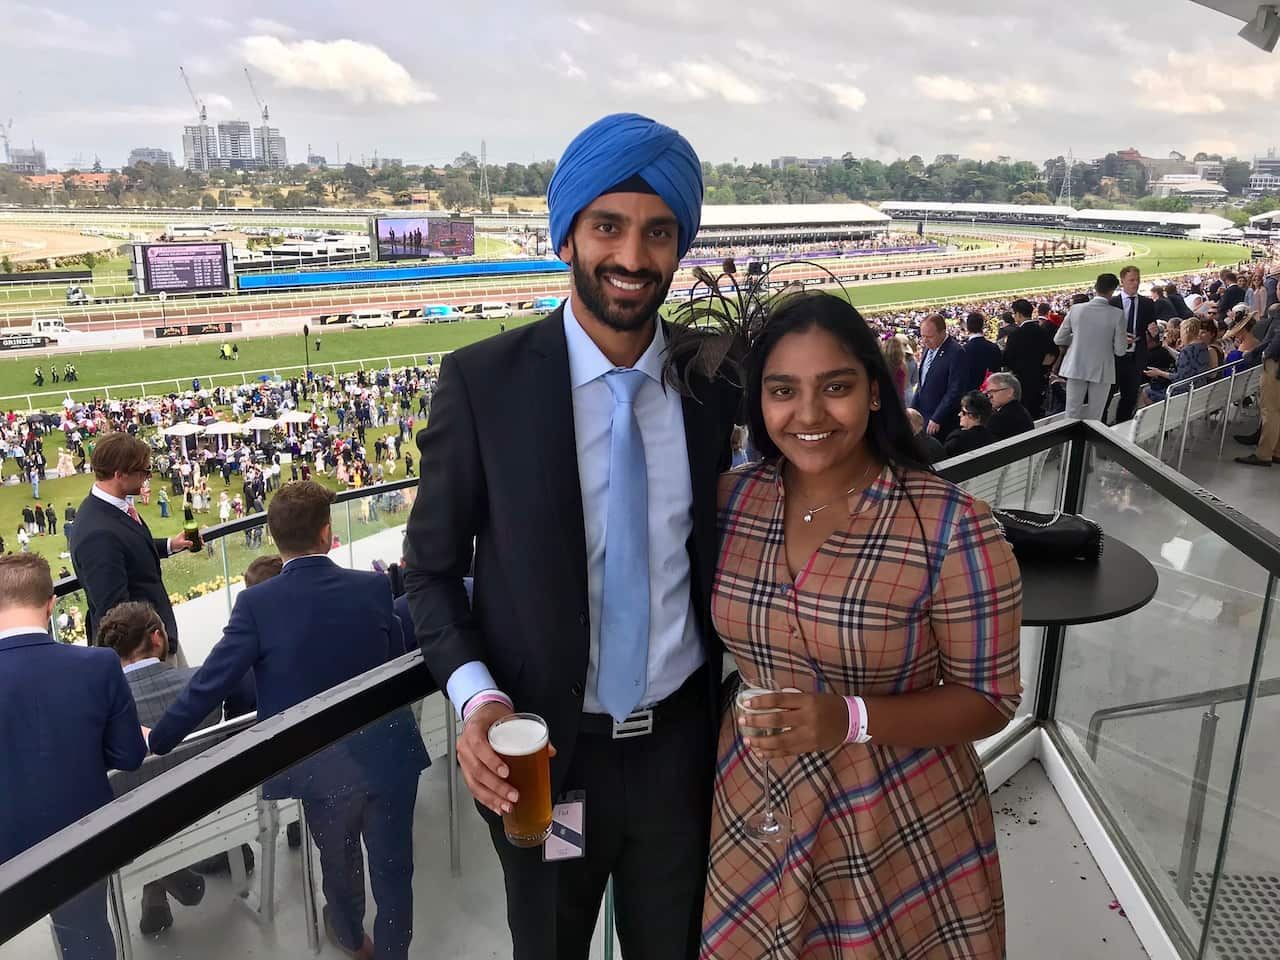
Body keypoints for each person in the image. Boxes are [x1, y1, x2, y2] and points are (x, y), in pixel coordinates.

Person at [404, 112, 739, 960]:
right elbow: (431, 574)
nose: (632, 257)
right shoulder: (483, 384)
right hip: (552, 770)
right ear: (568, 236)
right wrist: (478, 701)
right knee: (552, 943)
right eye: (608, 227)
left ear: (680, 244)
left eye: (658, 232)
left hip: (680, 758)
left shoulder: (718, 380)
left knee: (671, 947)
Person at [701, 292, 1021, 959]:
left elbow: (991, 699)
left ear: (874, 393)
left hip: (894, 814)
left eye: (836, 387)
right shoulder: (733, 501)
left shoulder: (953, 523)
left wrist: (848, 719)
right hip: (751, 799)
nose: (809, 414)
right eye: (783, 390)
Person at [149, 481, 428, 960]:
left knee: (338, 866)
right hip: (386, 754)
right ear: (326, 534)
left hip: (322, 767)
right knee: (393, 870)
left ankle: (350, 939)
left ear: (276, 539)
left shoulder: (257, 605)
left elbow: (210, 683)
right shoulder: (373, 588)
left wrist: (159, 739)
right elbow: (396, 663)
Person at [0, 554, 146, 960]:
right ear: (51, 605)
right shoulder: (97, 665)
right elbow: (130, 754)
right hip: (81, 838)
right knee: (88, 936)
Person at [95, 602, 253, 935]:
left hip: (135, 839)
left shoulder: (97, 712)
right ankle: (161, 881)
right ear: (157, 638)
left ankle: (157, 883)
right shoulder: (200, 683)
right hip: (211, 818)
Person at [68, 432, 193, 663]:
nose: (148, 477)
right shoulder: (98, 535)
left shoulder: (110, 509)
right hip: (140, 654)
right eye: (144, 472)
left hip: (155, 639)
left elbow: (127, 548)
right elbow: (115, 613)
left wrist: (170, 545)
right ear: (119, 474)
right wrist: (150, 654)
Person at [1054, 273, 1127, 421]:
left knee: (1071, 414)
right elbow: (1120, 351)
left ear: (1095, 287)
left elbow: (1059, 339)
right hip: (1102, 369)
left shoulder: (1076, 309)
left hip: (1076, 365)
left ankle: (1070, 444)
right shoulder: (1117, 314)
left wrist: (1078, 339)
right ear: (1113, 291)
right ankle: (1090, 445)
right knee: (1095, 417)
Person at [1108, 265, 1154, 423]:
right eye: (1131, 280)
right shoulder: (1111, 303)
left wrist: (1153, 331)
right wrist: (1119, 339)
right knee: (1106, 396)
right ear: (1122, 281)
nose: (1135, 283)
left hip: (1135, 358)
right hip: (1114, 358)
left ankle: (1120, 429)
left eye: (1138, 280)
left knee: (1129, 398)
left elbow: (1151, 329)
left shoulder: (1147, 303)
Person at [911, 313, 965, 438]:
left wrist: (937, 417)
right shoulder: (927, 348)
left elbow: (955, 390)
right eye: (923, 336)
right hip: (923, 417)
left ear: (943, 332)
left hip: (940, 421)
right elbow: (922, 383)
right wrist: (912, 410)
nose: (925, 340)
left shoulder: (956, 352)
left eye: (929, 336)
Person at [1143, 317, 1212, 404]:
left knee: (1147, 392)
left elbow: (1181, 378)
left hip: (1185, 392)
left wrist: (1159, 373)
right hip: (1200, 389)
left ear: (1186, 332)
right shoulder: (1203, 347)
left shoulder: (1187, 350)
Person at [957, 310, 1002, 393]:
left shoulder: (963, 350)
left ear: (968, 327)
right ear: (982, 326)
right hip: (992, 394)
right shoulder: (993, 347)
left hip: (971, 396)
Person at [943, 389, 996, 458]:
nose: (959, 414)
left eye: (963, 412)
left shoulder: (957, 440)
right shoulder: (992, 438)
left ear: (977, 416)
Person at [985, 371, 1036, 440]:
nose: (989, 396)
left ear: (1009, 392)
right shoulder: (1021, 411)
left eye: (993, 391)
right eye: (988, 393)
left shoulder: (999, 418)